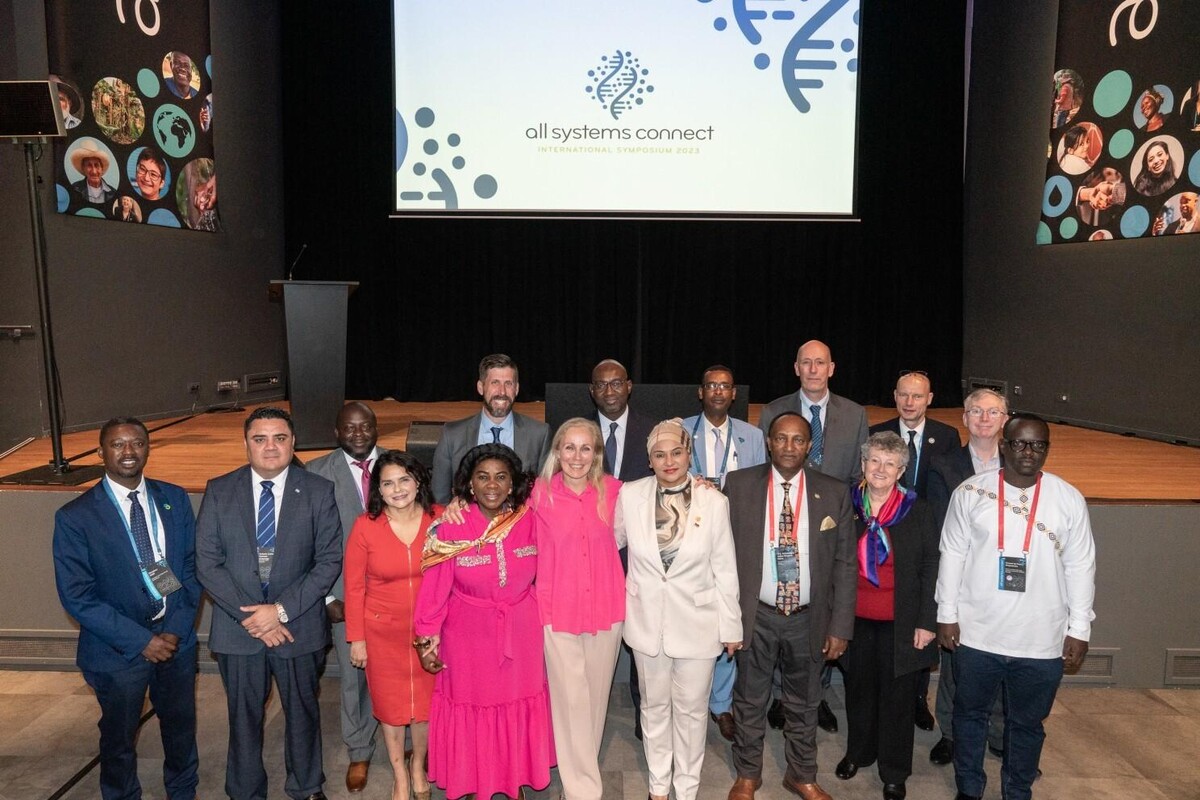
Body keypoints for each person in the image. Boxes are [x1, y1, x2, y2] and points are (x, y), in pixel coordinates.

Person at [936, 414, 1096, 800]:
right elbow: (952, 554)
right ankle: (969, 789)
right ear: (1004, 446)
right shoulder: (970, 493)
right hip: (977, 635)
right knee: (969, 717)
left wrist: (1080, 628)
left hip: (1041, 640)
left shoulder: (1068, 498)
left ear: (1047, 450)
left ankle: (1017, 790)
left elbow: (1081, 565)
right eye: (1020, 443)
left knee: (1027, 725)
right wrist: (946, 614)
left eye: (1038, 444)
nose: (1029, 452)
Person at [196, 406, 342, 800]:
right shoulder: (219, 489)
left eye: (279, 438)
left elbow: (328, 560)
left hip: (298, 626)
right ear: (245, 443)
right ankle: (245, 791)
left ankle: (307, 786)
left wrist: (278, 612)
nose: (270, 447)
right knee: (243, 718)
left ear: (293, 442)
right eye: (260, 439)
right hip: (237, 628)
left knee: (302, 713)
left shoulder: (317, 490)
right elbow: (207, 563)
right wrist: (255, 617)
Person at [52, 417, 201, 800]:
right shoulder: (75, 517)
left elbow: (187, 569)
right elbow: (78, 595)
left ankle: (183, 791)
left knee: (181, 730)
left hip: (175, 642)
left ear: (148, 448)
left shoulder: (174, 498)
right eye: (117, 445)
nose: (129, 451)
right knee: (118, 741)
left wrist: (174, 629)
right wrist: (142, 641)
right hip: (116, 652)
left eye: (137, 443)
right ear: (101, 452)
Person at [724, 412, 856, 800]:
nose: (788, 447)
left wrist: (840, 627)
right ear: (768, 441)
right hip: (756, 615)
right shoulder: (739, 484)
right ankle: (748, 774)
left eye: (798, 440)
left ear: (808, 445)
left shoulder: (832, 491)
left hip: (808, 618)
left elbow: (846, 565)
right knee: (749, 699)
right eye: (781, 438)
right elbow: (719, 553)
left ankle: (801, 774)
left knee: (805, 703)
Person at [413, 444, 554, 800]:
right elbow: (434, 590)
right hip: (467, 637)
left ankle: (513, 777)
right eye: (483, 477)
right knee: (473, 709)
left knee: (517, 705)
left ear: (513, 484)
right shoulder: (451, 527)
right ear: (470, 485)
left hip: (522, 633)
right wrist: (425, 641)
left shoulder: (530, 519)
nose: (492, 484)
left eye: (501, 477)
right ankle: (476, 781)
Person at [616, 418, 741, 800]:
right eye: (659, 454)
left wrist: (732, 626)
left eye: (676, 452)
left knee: (691, 714)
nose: (669, 461)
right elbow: (604, 541)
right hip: (646, 623)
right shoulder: (629, 495)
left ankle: (686, 789)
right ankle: (658, 787)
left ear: (689, 455)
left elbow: (725, 566)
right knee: (653, 711)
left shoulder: (715, 501)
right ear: (649, 460)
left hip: (699, 624)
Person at [759, 339, 868, 732]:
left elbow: (859, 475)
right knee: (779, 610)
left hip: (829, 530)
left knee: (818, 611)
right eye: (806, 362)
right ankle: (778, 697)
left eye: (820, 362)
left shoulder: (854, 414)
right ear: (796, 367)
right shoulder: (774, 410)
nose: (813, 369)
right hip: (783, 523)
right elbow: (762, 472)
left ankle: (815, 697)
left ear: (831, 368)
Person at [834, 432, 939, 800]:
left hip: (903, 623)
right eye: (874, 461)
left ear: (901, 470)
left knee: (897, 701)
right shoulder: (846, 505)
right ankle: (859, 752)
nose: (880, 469)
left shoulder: (918, 510)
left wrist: (928, 620)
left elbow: (930, 567)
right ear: (863, 465)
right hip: (855, 619)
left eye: (889, 463)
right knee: (859, 691)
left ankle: (894, 770)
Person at [533, 418, 625, 800]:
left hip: (607, 608)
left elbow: (662, 497)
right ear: (557, 451)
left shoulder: (617, 492)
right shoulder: (537, 495)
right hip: (559, 611)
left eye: (585, 448)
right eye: (569, 447)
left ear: (596, 453)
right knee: (571, 701)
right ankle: (582, 789)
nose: (576, 456)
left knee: (595, 700)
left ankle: (579, 772)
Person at [344, 451, 440, 800]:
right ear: (378, 490)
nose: (397, 488)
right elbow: (353, 586)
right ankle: (400, 772)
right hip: (381, 633)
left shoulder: (440, 518)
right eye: (388, 483)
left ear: (418, 482)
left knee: (425, 705)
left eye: (404, 479)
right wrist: (357, 638)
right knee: (390, 706)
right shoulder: (365, 526)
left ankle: (418, 768)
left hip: (431, 633)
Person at [868, 371, 960, 730]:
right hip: (884, 540)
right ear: (894, 396)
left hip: (926, 538)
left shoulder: (948, 437)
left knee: (918, 627)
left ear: (930, 398)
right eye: (904, 395)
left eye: (917, 396)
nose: (909, 402)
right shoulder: (878, 432)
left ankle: (919, 697)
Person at [680, 364, 767, 741]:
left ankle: (720, 704)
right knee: (694, 617)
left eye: (725, 386)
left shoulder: (752, 436)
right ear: (701, 392)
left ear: (734, 394)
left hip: (736, 537)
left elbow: (761, 485)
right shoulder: (680, 429)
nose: (717, 391)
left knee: (730, 616)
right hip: (690, 539)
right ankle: (689, 698)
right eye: (711, 385)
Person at [925, 387, 1008, 767]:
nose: (985, 418)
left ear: (1005, 419)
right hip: (962, 576)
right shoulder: (943, 466)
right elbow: (945, 527)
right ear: (965, 419)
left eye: (993, 412)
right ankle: (951, 734)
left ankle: (998, 732)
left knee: (1004, 661)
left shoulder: (1021, 462)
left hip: (1006, 581)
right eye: (977, 411)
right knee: (957, 661)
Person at [305, 402, 383, 793]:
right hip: (342, 596)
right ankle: (359, 749)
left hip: (393, 594)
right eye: (349, 428)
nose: (358, 433)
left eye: (364, 425)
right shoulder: (316, 472)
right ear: (336, 432)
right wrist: (324, 598)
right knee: (353, 677)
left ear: (376, 427)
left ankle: (400, 737)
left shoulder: (396, 466)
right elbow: (305, 544)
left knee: (396, 670)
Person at [431, 353, 550, 504]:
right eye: (495, 383)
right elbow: (439, 499)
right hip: (468, 524)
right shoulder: (452, 434)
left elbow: (545, 496)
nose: (502, 392)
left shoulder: (539, 434)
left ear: (517, 389)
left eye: (508, 384)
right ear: (481, 387)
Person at [590, 358, 655, 481]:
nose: (609, 392)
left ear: (629, 386)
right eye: (601, 385)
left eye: (616, 384)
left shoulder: (652, 430)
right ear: (592, 390)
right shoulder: (578, 430)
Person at [69, 140, 117, 205]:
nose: (94, 171)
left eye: (97, 165)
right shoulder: (74, 189)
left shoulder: (113, 192)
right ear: (83, 169)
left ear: (102, 168)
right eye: (89, 166)